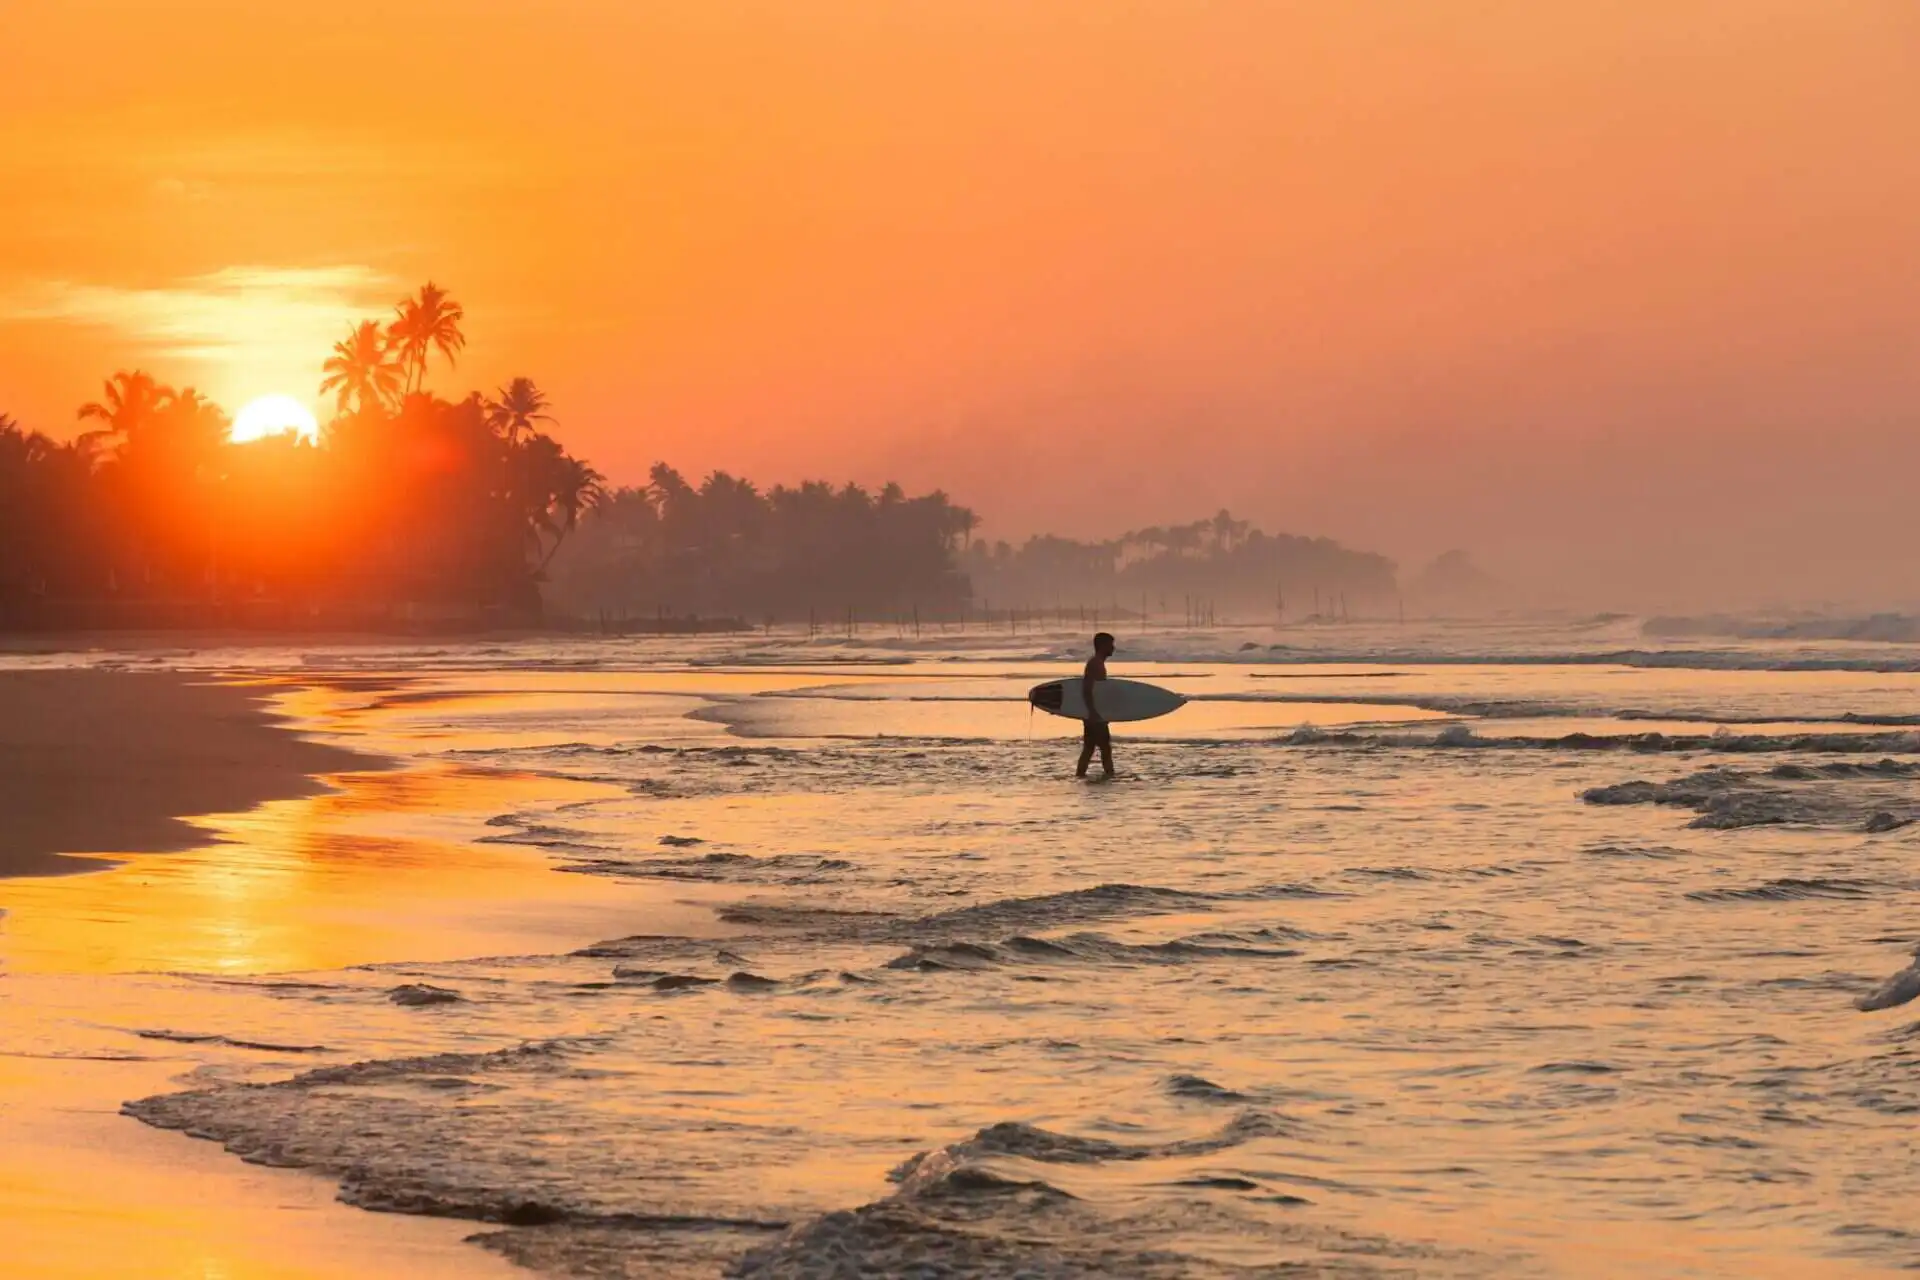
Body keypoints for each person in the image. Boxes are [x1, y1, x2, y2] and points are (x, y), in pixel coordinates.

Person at [1076, 631, 1117, 780]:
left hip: (1094, 713)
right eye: (1111, 645)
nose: (1113, 648)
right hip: (1094, 714)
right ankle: (1109, 775)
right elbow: (1087, 689)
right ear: (1103, 646)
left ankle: (1080, 775)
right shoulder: (1095, 664)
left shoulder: (1097, 663)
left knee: (1090, 748)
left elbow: (1098, 693)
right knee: (1104, 748)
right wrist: (1092, 712)